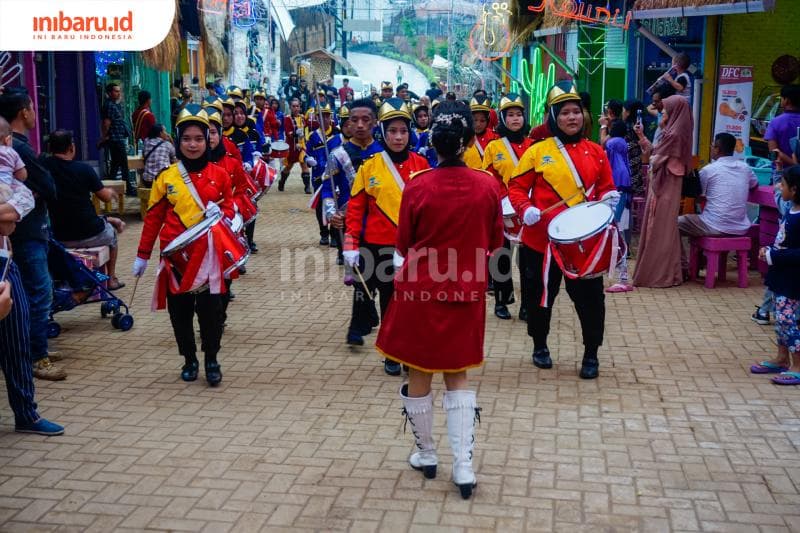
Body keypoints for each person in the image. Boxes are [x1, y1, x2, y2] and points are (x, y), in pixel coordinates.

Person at [376, 101, 503, 500]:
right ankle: (463, 466)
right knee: (458, 374)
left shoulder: (417, 184)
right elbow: (496, 242)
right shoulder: (487, 185)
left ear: (433, 141)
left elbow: (404, 243)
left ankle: (427, 454)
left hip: (419, 291)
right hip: (466, 291)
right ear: (468, 141)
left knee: (419, 372)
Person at [507, 83, 617, 379]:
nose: (572, 118)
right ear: (554, 117)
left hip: (583, 245)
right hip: (540, 242)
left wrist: (609, 197)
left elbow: (606, 186)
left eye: (576, 111)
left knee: (591, 301)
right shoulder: (536, 151)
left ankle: (591, 353)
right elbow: (516, 187)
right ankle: (539, 345)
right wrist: (525, 209)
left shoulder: (597, 152)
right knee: (539, 297)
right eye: (565, 112)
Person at [132, 105, 234, 386]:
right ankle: (189, 359)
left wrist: (224, 214)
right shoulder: (167, 178)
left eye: (199, 138)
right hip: (176, 258)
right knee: (180, 313)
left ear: (208, 140)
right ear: (178, 140)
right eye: (187, 138)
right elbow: (152, 220)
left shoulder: (221, 175)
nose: (193, 144)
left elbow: (232, 210)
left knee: (212, 312)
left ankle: (212, 359)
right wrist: (142, 255)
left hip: (211, 257)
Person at [343, 98, 429, 374]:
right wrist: (351, 244)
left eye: (403, 131)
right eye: (392, 131)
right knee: (388, 302)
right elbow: (356, 209)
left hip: (412, 248)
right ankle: (391, 353)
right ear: (383, 132)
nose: (398, 137)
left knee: (410, 305)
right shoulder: (369, 167)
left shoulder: (423, 164)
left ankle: (409, 351)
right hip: (377, 246)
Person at [0, 89, 64, 381]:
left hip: (25, 229)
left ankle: (36, 349)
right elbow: (49, 185)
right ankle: (37, 356)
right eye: (33, 107)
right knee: (39, 292)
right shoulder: (20, 150)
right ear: (24, 112)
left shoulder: (19, 148)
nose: (35, 113)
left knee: (33, 292)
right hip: (25, 232)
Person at [0, 196, 64, 435]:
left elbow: (12, 220)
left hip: (6, 263)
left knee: (17, 343)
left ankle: (27, 414)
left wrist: (11, 213)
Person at [43, 130, 127, 290]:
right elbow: (105, 197)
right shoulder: (84, 169)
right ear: (71, 147)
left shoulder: (44, 168)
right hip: (90, 233)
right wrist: (111, 192)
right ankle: (111, 279)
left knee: (91, 216)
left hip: (60, 236)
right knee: (112, 236)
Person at [633, 95, 694, 288]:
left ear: (675, 112)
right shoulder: (672, 132)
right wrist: (642, 137)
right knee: (664, 226)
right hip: (664, 185)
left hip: (665, 186)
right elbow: (656, 153)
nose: (662, 113)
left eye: (666, 109)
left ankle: (660, 273)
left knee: (661, 227)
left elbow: (655, 158)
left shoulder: (674, 135)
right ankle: (672, 270)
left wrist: (652, 155)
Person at [482, 94, 532, 321]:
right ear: (502, 118)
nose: (515, 119)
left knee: (528, 261)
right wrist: (505, 201)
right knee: (501, 256)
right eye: (510, 115)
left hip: (529, 211)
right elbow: (489, 179)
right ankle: (501, 301)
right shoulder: (494, 147)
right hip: (502, 211)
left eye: (519, 115)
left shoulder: (534, 146)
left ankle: (527, 305)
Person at [677, 132, 758, 270]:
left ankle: (683, 266)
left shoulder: (709, 170)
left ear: (717, 149)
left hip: (714, 225)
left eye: (713, 145)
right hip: (740, 227)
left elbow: (698, 196)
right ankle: (700, 261)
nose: (711, 148)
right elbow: (754, 185)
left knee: (672, 224)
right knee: (702, 218)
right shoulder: (745, 168)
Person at [751, 166, 800, 384]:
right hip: (780, 276)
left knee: (788, 320)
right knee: (781, 319)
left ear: (795, 189)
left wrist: (775, 255)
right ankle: (782, 358)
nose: (780, 187)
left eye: (784, 184)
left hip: (793, 279)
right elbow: (784, 239)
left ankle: (797, 364)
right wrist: (770, 251)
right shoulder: (791, 210)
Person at [303, 103, 342, 248]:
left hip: (335, 175)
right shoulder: (313, 136)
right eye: (321, 116)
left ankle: (334, 234)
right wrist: (308, 160)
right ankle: (323, 233)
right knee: (320, 206)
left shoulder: (337, 135)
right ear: (317, 119)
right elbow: (307, 153)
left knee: (335, 204)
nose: (324, 119)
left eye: (327, 116)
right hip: (319, 176)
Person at [604, 121, 634, 292]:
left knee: (616, 230)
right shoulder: (623, 146)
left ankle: (621, 272)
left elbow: (607, 145)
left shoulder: (613, 144)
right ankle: (621, 271)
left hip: (618, 190)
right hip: (623, 189)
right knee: (619, 230)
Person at [100, 83, 136, 196]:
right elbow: (106, 123)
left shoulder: (115, 105)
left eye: (119, 91)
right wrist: (104, 136)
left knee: (115, 165)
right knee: (123, 164)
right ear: (109, 93)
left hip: (118, 137)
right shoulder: (109, 105)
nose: (118, 93)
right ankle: (129, 189)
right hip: (115, 139)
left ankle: (110, 186)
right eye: (116, 91)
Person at [278, 98, 310, 192]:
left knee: (304, 164)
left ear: (300, 107)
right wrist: (296, 134)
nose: (296, 108)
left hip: (302, 146)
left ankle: (307, 187)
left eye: (297, 106)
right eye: (294, 106)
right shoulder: (287, 118)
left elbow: (308, 127)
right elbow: (288, 132)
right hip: (291, 147)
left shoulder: (303, 118)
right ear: (291, 107)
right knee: (289, 166)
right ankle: (282, 182)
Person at [765, 84, 800, 168]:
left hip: (782, 173)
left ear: (786, 100)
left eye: (781, 98)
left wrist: (795, 165)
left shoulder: (776, 122)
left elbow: (773, 153)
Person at [463, 95, 499, 169]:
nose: (478, 124)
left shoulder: (495, 138)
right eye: (475, 120)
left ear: (488, 121)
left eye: (482, 120)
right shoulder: (463, 139)